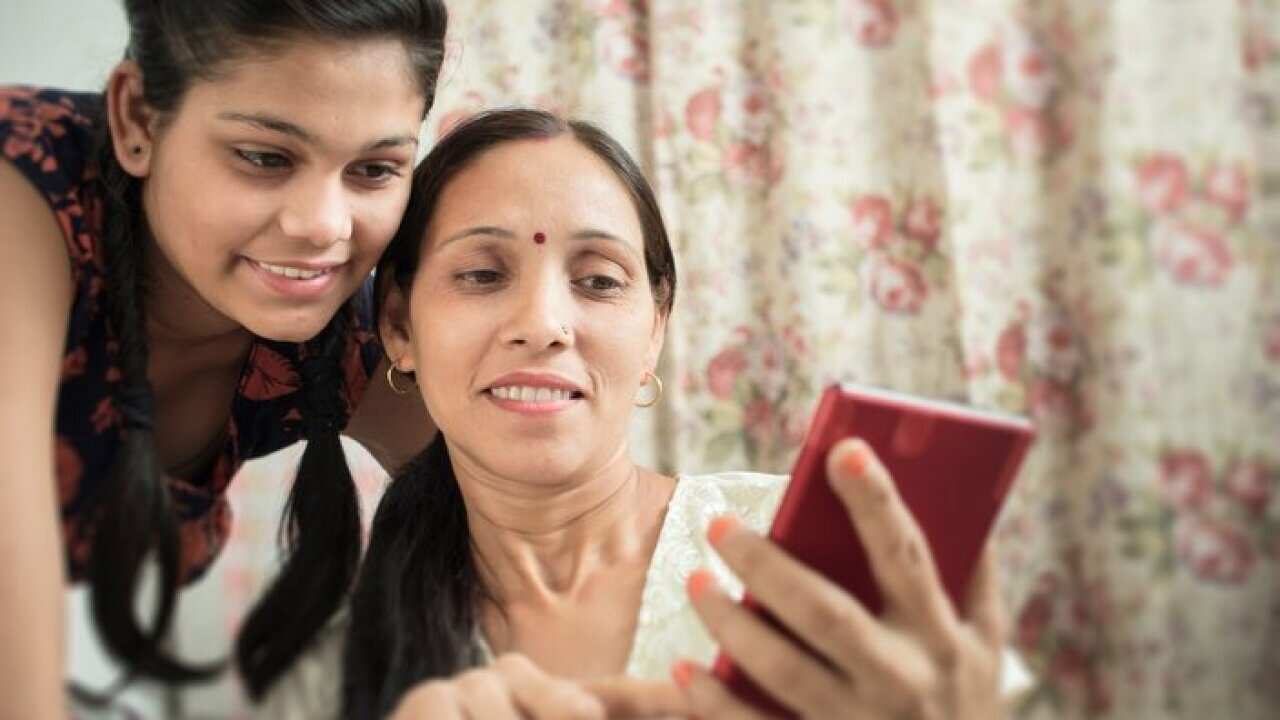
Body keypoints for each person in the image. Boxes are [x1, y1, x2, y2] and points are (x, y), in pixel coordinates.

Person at [265, 108, 1030, 719]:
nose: (543, 323)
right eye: (483, 274)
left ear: (655, 329)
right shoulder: (329, 677)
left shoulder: (805, 563)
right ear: (399, 327)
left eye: (598, 280)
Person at [0, 1, 449, 715]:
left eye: (373, 169)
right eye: (265, 157)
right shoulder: (23, 190)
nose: (323, 226)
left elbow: (522, 536)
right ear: (137, 119)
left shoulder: (355, 342)